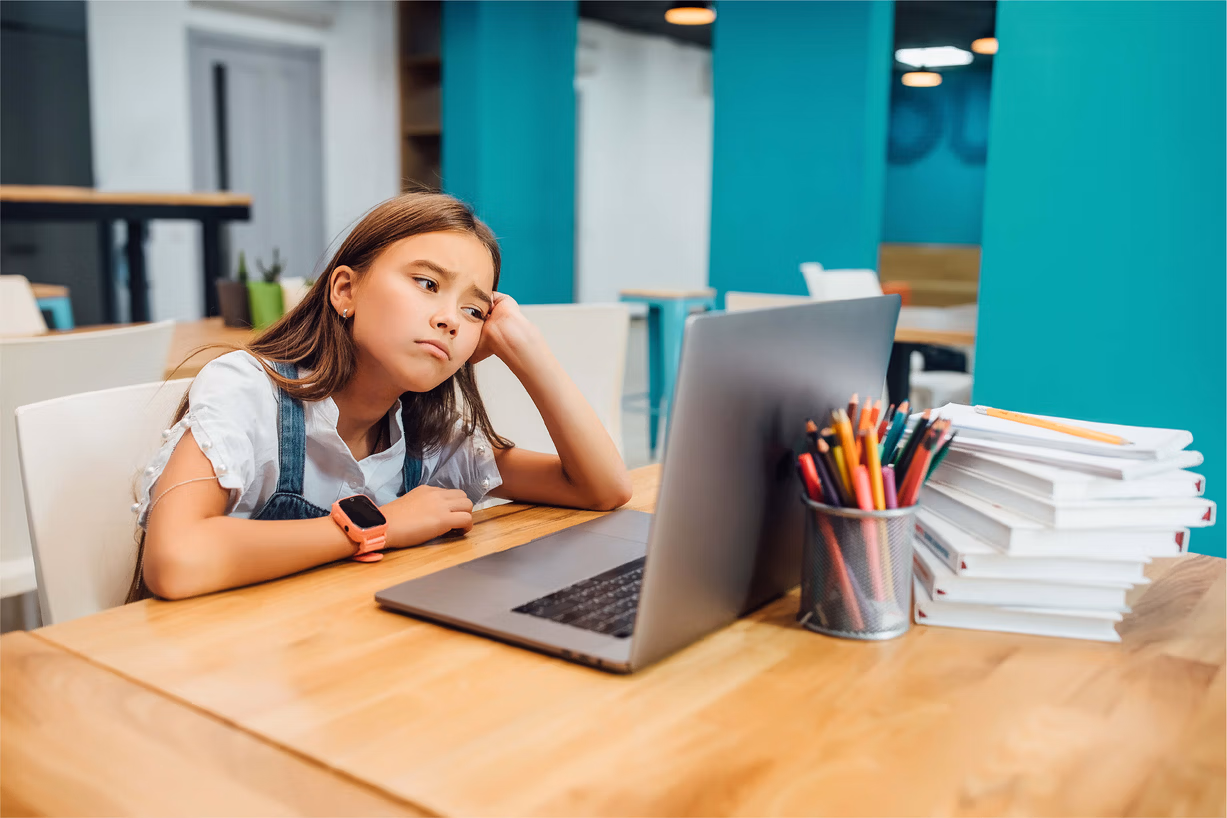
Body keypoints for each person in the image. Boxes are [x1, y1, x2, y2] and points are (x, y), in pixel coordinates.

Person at [129, 192, 632, 601]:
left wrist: (528, 350)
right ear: (345, 290)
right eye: (426, 283)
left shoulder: (426, 436)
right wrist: (382, 525)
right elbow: (177, 560)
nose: (450, 319)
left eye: (474, 311)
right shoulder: (248, 390)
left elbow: (601, 489)